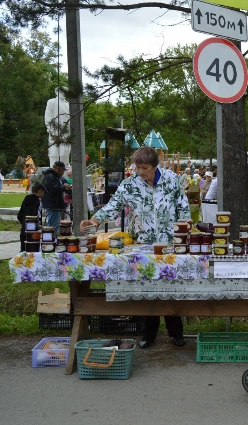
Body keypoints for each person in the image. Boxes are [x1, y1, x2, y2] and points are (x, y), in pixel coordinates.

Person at [80, 146, 191, 349]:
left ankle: (176, 332)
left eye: (145, 168)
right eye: (138, 167)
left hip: (169, 244)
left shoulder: (172, 180)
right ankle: (148, 333)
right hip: (142, 245)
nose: (140, 172)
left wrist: (185, 234)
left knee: (171, 288)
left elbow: (183, 207)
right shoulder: (130, 184)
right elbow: (113, 205)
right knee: (146, 289)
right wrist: (94, 221)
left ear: (155, 166)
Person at [42, 161, 71, 236]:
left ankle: (53, 240)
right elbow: (55, 189)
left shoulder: (56, 177)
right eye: (62, 170)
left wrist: (66, 187)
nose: (63, 172)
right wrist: (64, 186)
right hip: (53, 204)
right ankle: (51, 242)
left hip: (56, 204)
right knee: (52, 226)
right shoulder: (50, 176)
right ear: (57, 168)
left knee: (55, 225)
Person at [44, 87, 71, 167]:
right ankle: (54, 165)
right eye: (62, 91)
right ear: (57, 92)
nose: (63, 93)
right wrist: (52, 130)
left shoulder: (68, 104)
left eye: (65, 92)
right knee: (54, 151)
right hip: (55, 130)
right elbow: (48, 116)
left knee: (65, 150)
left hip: (66, 130)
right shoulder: (52, 102)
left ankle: (65, 164)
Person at [18, 183, 45, 252]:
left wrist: (24, 223)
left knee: (23, 250)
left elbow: (19, 215)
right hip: (33, 232)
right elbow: (36, 216)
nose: (44, 194)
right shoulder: (37, 202)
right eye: (44, 192)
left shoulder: (26, 199)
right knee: (33, 251)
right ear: (40, 191)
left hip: (24, 230)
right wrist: (38, 227)